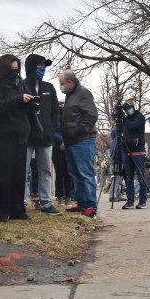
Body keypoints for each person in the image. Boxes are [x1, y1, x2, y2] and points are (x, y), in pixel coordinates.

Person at [0, 54, 33, 222]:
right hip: (2, 132)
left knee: (19, 173)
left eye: (17, 68)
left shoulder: (20, 83)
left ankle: (17, 209)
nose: (15, 71)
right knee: (2, 172)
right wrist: (18, 99)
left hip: (20, 132)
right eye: (11, 68)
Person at [23, 54, 61, 216]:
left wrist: (51, 131)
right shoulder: (22, 86)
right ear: (31, 67)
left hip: (45, 137)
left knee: (45, 170)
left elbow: (55, 112)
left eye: (44, 66)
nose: (42, 69)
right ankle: (22, 203)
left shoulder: (49, 87)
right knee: (23, 171)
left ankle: (46, 203)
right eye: (39, 65)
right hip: (26, 136)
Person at [58, 70, 99, 218]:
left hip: (82, 140)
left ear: (70, 82)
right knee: (75, 174)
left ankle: (90, 206)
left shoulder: (83, 93)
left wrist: (77, 131)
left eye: (62, 84)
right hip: (71, 141)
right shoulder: (70, 95)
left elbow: (91, 115)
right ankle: (82, 203)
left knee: (85, 174)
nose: (61, 87)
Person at [119, 101, 149, 209]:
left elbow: (132, 126)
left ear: (133, 107)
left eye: (128, 108)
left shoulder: (139, 117)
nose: (127, 111)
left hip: (138, 151)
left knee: (141, 176)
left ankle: (143, 201)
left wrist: (123, 120)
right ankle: (130, 201)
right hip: (127, 151)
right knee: (129, 178)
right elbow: (119, 131)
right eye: (125, 109)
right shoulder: (125, 120)